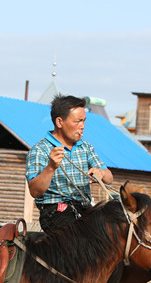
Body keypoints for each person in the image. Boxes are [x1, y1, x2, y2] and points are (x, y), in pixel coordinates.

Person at [25, 94, 114, 232]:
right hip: (55, 212)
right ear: (60, 122)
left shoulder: (85, 147)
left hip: (84, 209)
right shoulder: (40, 150)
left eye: (84, 121)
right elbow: (35, 191)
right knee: (79, 236)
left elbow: (109, 178)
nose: (82, 126)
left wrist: (100, 173)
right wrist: (50, 167)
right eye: (77, 121)